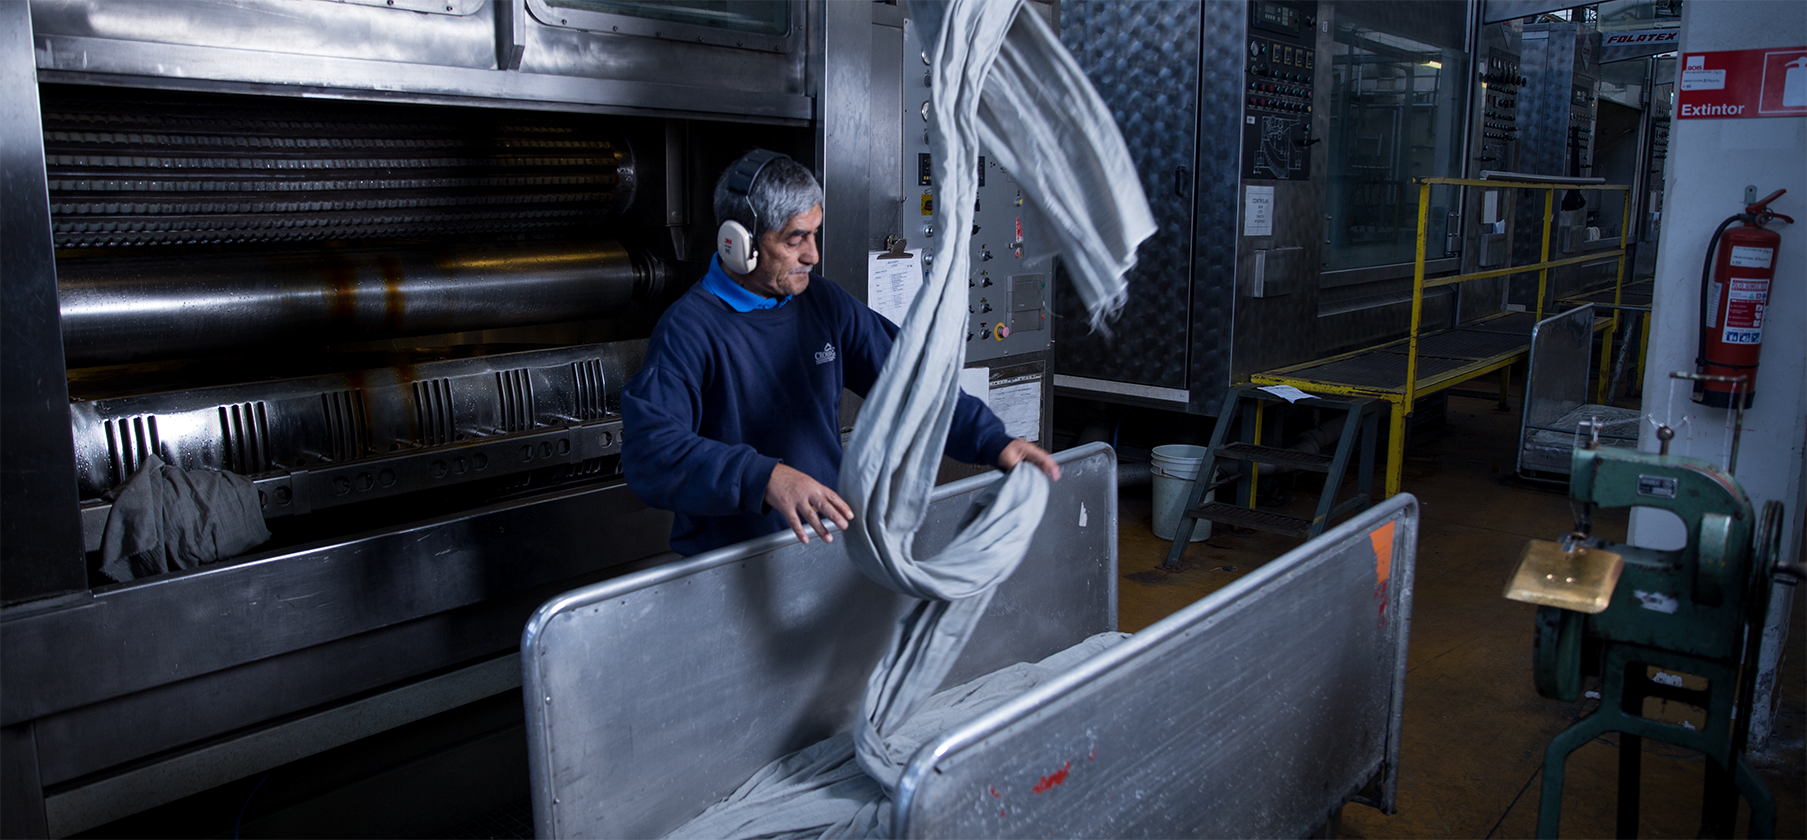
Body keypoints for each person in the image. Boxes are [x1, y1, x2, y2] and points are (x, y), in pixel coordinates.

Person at [621, 150, 1059, 555]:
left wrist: (992, 440)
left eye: (815, 234)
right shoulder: (690, 330)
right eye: (795, 239)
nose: (813, 254)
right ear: (738, 243)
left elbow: (909, 381)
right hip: (731, 567)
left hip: (822, 550)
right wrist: (765, 477)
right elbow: (651, 454)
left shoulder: (825, 304)